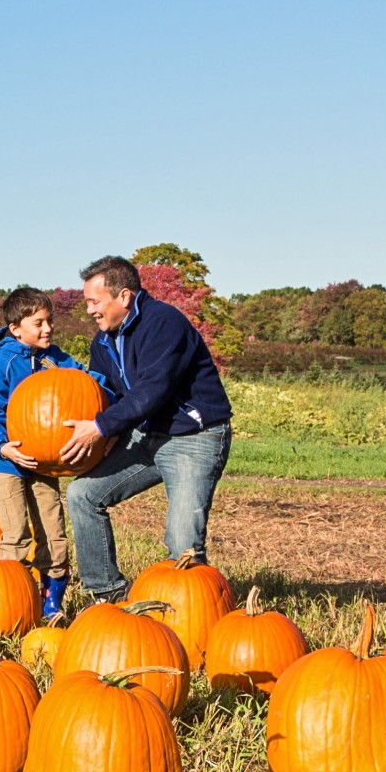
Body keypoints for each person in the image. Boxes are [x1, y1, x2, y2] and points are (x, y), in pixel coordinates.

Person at [58, 254, 233, 604]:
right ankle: (107, 594)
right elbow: (106, 393)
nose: (90, 310)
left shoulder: (164, 323)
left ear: (123, 296)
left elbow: (154, 389)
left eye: (95, 301)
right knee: (83, 495)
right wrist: (107, 434)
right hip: (146, 435)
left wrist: (101, 427)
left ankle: (195, 613)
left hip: (193, 437)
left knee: (183, 542)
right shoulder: (104, 339)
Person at [0, 285, 84, 619]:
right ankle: (10, 603)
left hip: (45, 460)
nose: (47, 328)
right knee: (16, 533)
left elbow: (86, 381)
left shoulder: (56, 359)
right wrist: (2, 446)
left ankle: (50, 604)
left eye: (49, 320)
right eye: (38, 322)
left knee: (54, 532)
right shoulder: (0, 363)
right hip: (7, 461)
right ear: (16, 328)